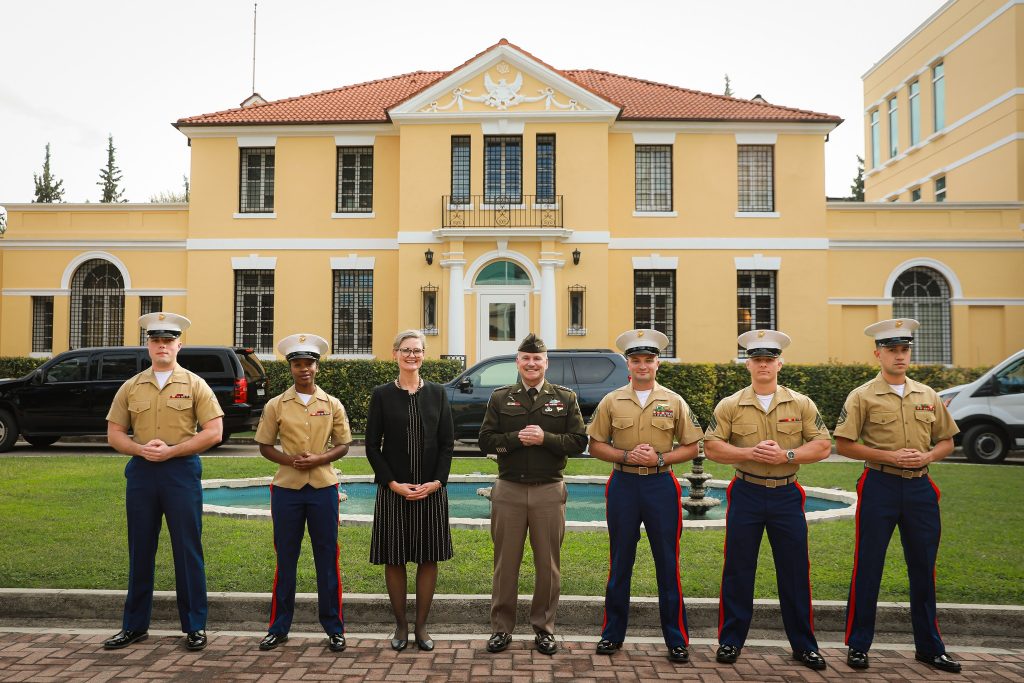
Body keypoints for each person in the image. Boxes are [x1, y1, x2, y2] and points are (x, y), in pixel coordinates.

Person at [834, 318, 961, 673]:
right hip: (880, 485)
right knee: (869, 565)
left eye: (904, 349)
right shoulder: (862, 395)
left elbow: (947, 440)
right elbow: (844, 444)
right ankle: (858, 645)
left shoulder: (928, 395)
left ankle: (930, 648)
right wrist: (888, 456)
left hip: (920, 487)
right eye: (892, 350)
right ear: (878, 354)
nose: (900, 356)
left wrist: (929, 456)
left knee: (923, 568)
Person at [702, 329, 832, 671]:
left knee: (794, 572)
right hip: (746, 492)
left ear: (780, 363)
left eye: (769, 359)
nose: (764, 365)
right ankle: (730, 641)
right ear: (748, 364)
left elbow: (822, 445)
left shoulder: (801, 403)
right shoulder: (730, 404)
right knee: (738, 569)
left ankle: (804, 645)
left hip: (786, 494)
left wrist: (786, 454)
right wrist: (749, 451)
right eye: (757, 359)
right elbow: (712, 446)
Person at [103, 312, 224, 651]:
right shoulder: (132, 386)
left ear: (178, 345)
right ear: (147, 345)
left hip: (181, 472)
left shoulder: (195, 384)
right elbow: (114, 434)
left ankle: (195, 626)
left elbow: (214, 432)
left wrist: (171, 452)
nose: (162, 345)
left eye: (168, 340)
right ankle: (134, 625)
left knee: (187, 550)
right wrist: (140, 449)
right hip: (142, 473)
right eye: (156, 340)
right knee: (140, 549)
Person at [586, 329, 703, 663]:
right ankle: (611, 635)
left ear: (657, 364)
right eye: (636, 360)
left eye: (648, 360)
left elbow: (694, 445)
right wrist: (625, 457)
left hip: (660, 485)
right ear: (628, 365)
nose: (642, 365)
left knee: (667, 562)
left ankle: (677, 639)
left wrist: (661, 459)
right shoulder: (612, 400)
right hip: (623, 486)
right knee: (620, 561)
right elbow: (595, 444)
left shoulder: (674, 401)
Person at [478, 333, 587, 656]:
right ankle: (501, 628)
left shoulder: (564, 398)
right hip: (509, 489)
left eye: (537, 359)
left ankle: (544, 628)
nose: (531, 363)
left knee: (548, 565)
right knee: (505, 564)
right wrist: (514, 438)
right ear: (518, 362)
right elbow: (485, 440)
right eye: (525, 358)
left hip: (549, 490)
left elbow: (579, 442)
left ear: (545, 363)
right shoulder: (501, 398)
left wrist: (545, 438)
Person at [254, 333, 352, 653]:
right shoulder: (276, 405)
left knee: (327, 559)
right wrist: (289, 461)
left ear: (317, 367)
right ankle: (279, 627)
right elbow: (265, 446)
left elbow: (343, 445)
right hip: (287, 489)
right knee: (287, 559)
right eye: (297, 364)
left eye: (309, 363)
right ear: (291, 368)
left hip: (323, 488)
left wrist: (321, 459)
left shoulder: (332, 404)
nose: (304, 369)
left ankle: (334, 628)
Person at [365, 330, 455, 653]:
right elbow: (372, 446)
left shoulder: (438, 394)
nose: (412, 356)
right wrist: (392, 483)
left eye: (417, 351)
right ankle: (401, 625)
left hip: (431, 491)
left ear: (423, 355)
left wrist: (436, 482)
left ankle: (421, 627)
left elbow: (447, 444)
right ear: (395, 354)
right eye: (406, 350)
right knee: (395, 557)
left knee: (428, 557)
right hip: (394, 491)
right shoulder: (382, 395)